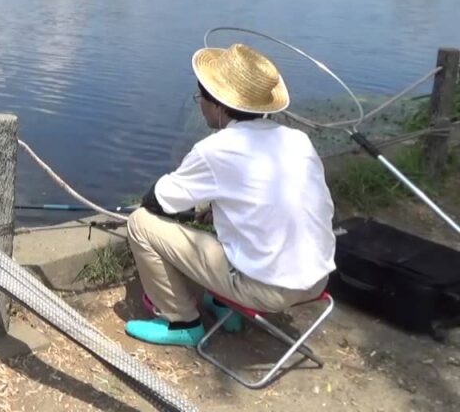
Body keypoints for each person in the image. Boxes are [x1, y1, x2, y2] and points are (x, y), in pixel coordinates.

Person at [124, 43, 336, 346]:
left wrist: (193, 209)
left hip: (267, 289)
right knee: (232, 217)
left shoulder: (216, 149)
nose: (201, 105)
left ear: (219, 105)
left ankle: (181, 322)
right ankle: (224, 305)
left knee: (140, 224)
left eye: (202, 98)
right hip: (317, 280)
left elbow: (156, 200)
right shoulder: (298, 140)